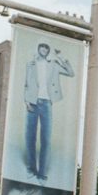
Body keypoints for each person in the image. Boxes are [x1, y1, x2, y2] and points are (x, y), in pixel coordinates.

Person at [24, 41, 74, 181]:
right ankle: (31, 169)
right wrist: (26, 101)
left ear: (48, 50)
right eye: (42, 47)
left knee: (46, 139)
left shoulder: (53, 65)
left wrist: (60, 57)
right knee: (30, 137)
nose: (44, 49)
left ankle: (42, 173)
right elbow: (27, 83)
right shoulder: (31, 64)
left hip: (46, 103)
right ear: (38, 48)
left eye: (47, 48)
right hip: (33, 102)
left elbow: (71, 73)